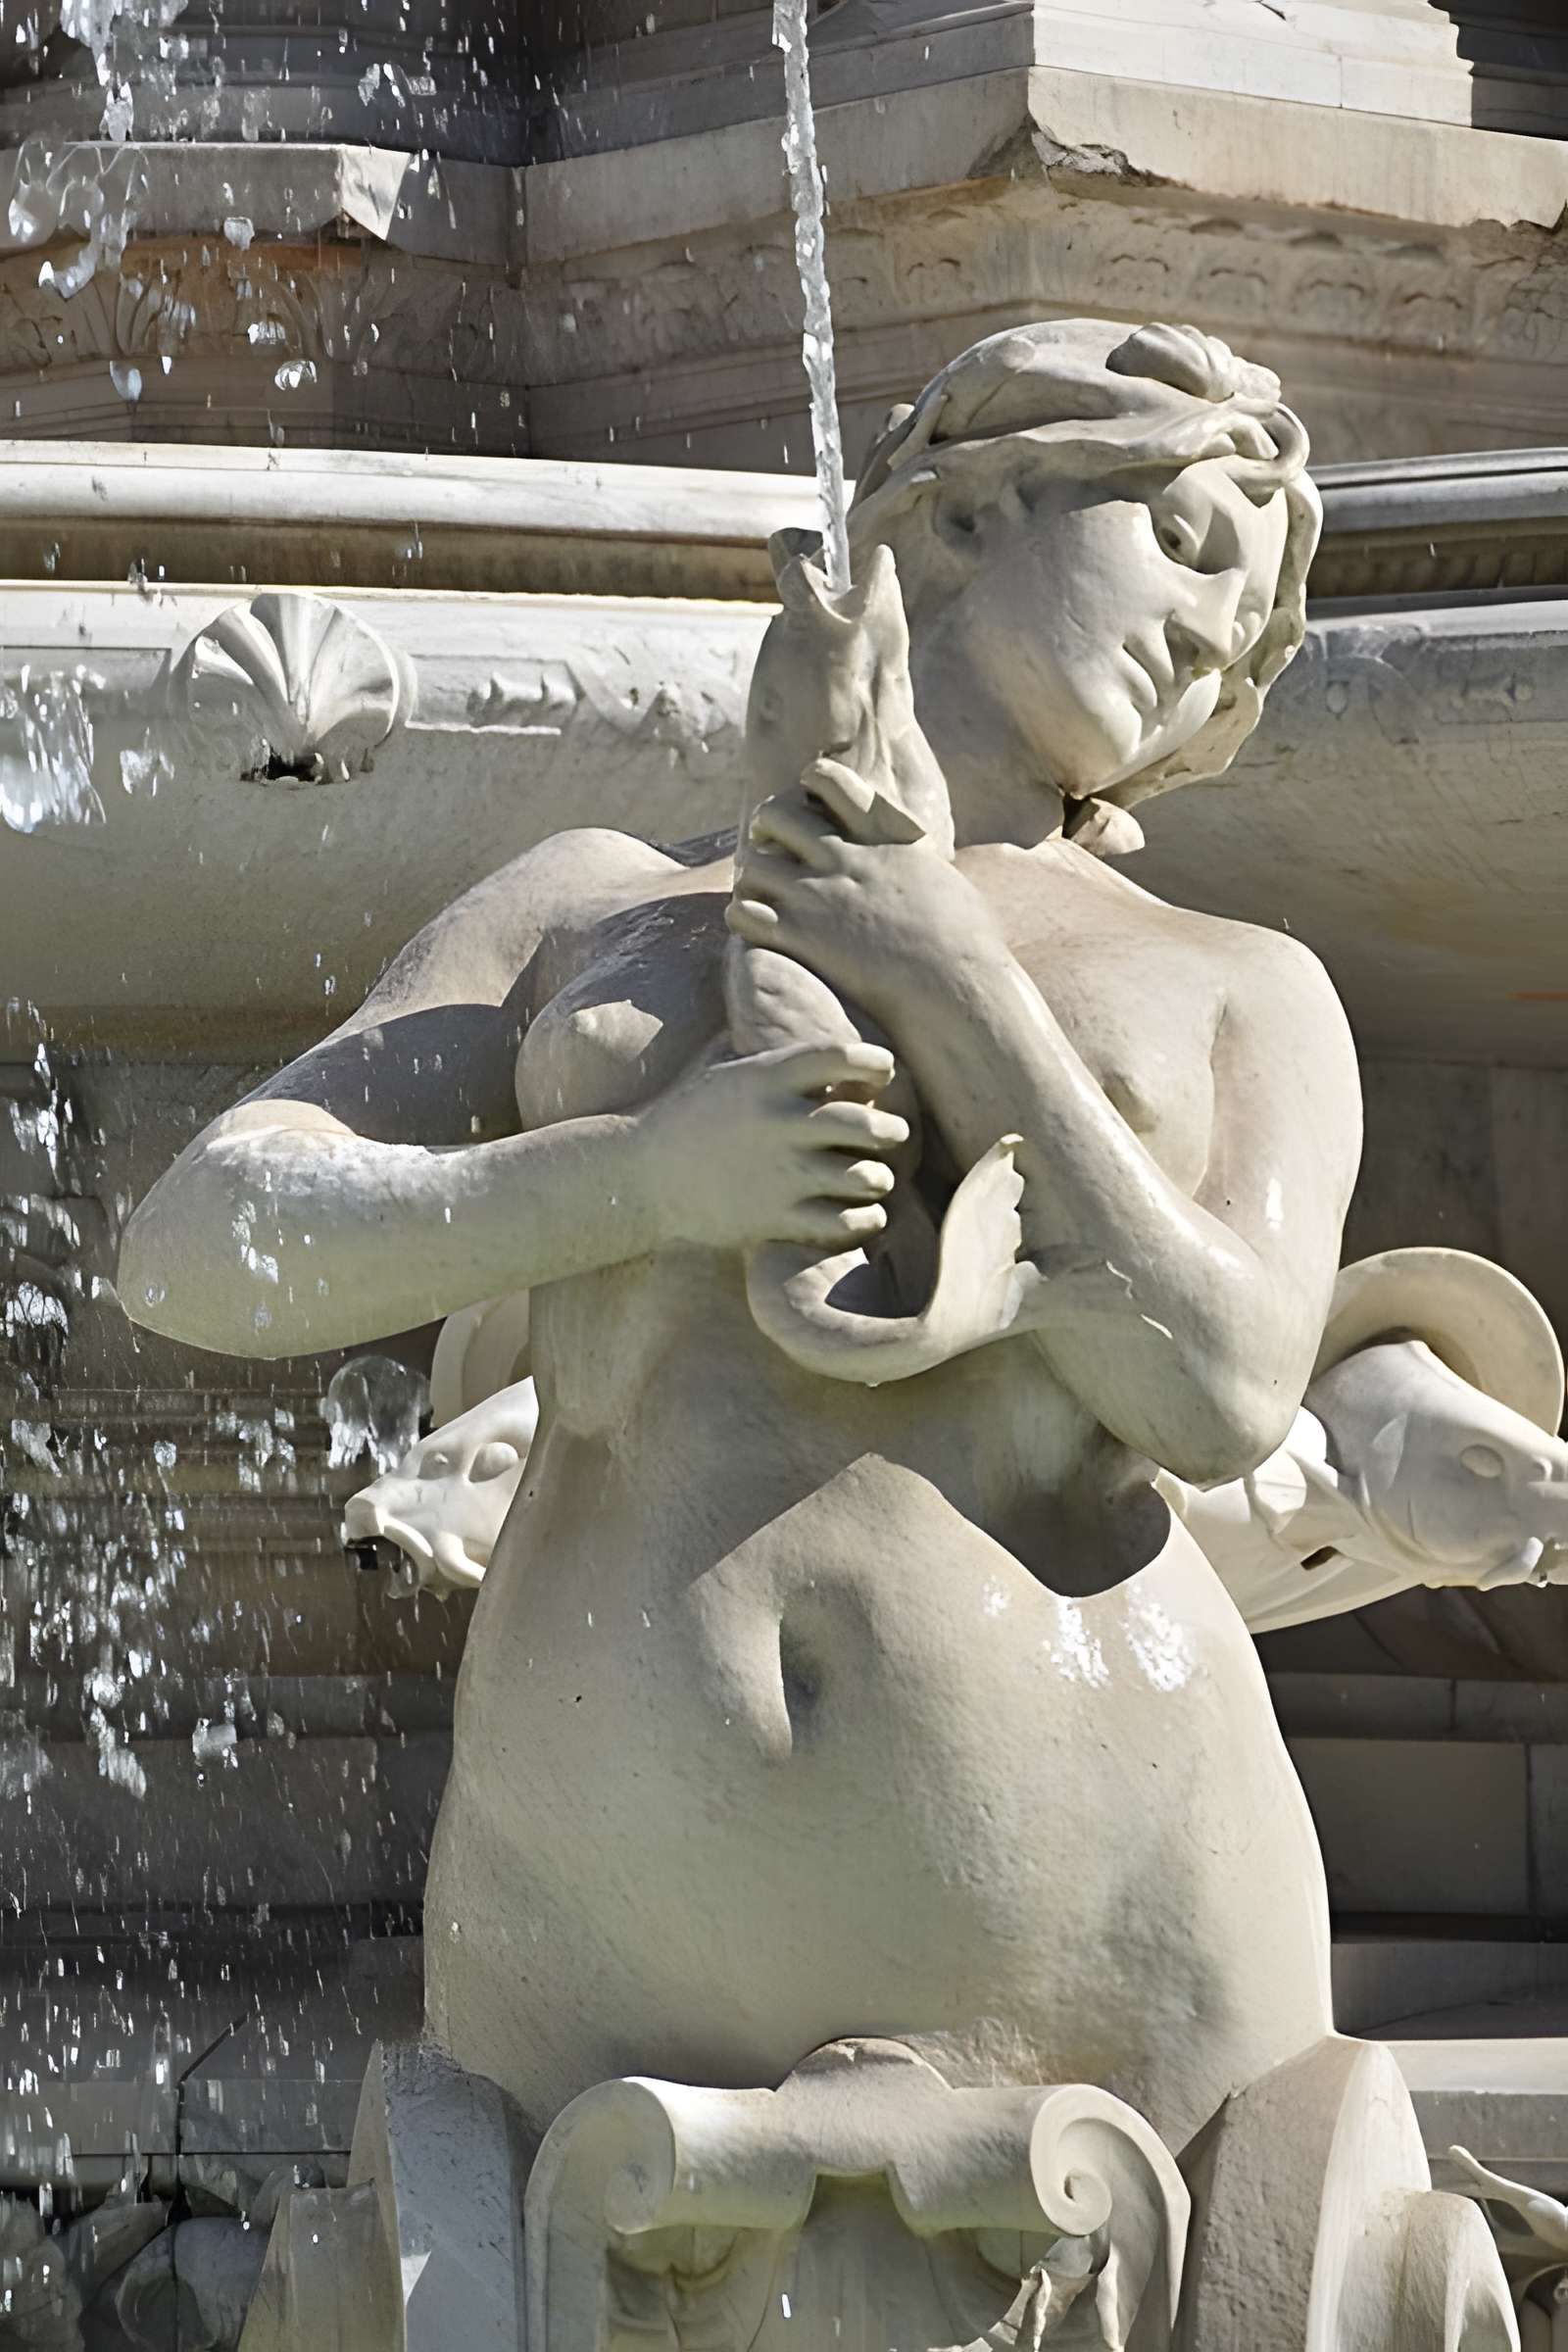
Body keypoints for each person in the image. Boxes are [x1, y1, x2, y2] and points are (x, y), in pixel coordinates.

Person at [121, 319, 1359, 2158]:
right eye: (1183, 543)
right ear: (964, 517)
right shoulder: (591, 907)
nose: (1202, 642)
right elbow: (198, 1245)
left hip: (1119, 1917)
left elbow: (1230, 1387)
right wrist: (639, 1183)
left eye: (1239, 637)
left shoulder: (1243, 983)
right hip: (588, 1934)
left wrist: (945, 968)